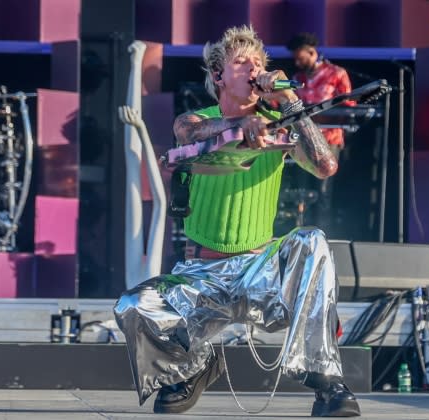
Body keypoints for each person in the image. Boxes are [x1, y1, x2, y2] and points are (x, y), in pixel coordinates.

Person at [114, 25, 361, 418]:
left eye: (259, 62)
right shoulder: (195, 119)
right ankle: (195, 368)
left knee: (311, 240)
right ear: (218, 76)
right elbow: (191, 132)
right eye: (241, 61)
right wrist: (238, 128)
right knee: (133, 305)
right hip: (201, 274)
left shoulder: (280, 122)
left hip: (259, 272)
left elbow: (326, 165)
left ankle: (325, 380)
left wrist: (289, 101)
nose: (253, 68)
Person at [286, 33, 354, 233]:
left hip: (329, 139)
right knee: (302, 191)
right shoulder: (297, 78)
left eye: (301, 57)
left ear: (312, 52)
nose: (297, 62)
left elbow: (349, 106)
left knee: (323, 191)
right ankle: (299, 235)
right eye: (295, 59)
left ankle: (323, 235)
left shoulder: (337, 74)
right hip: (302, 141)